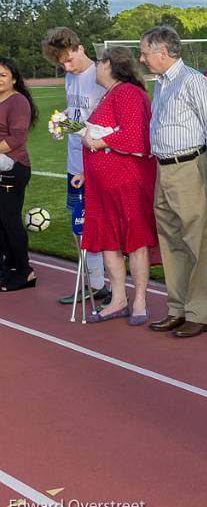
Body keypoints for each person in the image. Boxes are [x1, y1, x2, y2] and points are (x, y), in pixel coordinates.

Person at [142, 25, 207, 338]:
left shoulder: (193, 81)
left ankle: (200, 313)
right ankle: (177, 308)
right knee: (171, 240)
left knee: (196, 241)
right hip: (163, 169)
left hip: (189, 166)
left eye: (145, 52)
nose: (142, 58)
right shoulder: (161, 84)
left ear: (163, 52)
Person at [81, 46, 158, 326]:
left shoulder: (127, 92)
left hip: (128, 183)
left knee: (135, 241)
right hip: (103, 187)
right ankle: (118, 299)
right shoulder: (110, 94)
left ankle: (139, 299)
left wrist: (98, 142)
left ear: (110, 64)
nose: (96, 68)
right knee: (109, 242)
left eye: (99, 62)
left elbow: (137, 137)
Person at [41, 27, 111, 306]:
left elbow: (106, 124)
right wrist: (62, 119)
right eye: (61, 64)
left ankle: (113, 287)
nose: (67, 67)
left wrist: (71, 124)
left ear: (80, 48)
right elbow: (77, 110)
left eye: (70, 60)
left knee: (102, 226)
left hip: (98, 163)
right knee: (78, 226)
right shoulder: (70, 77)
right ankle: (95, 285)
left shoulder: (101, 76)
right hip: (75, 163)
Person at [0, 57, 38, 292]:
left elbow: (17, 139)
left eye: (3, 75)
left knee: (10, 221)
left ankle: (25, 271)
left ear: (14, 79)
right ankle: (8, 267)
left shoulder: (18, 102)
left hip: (13, 168)